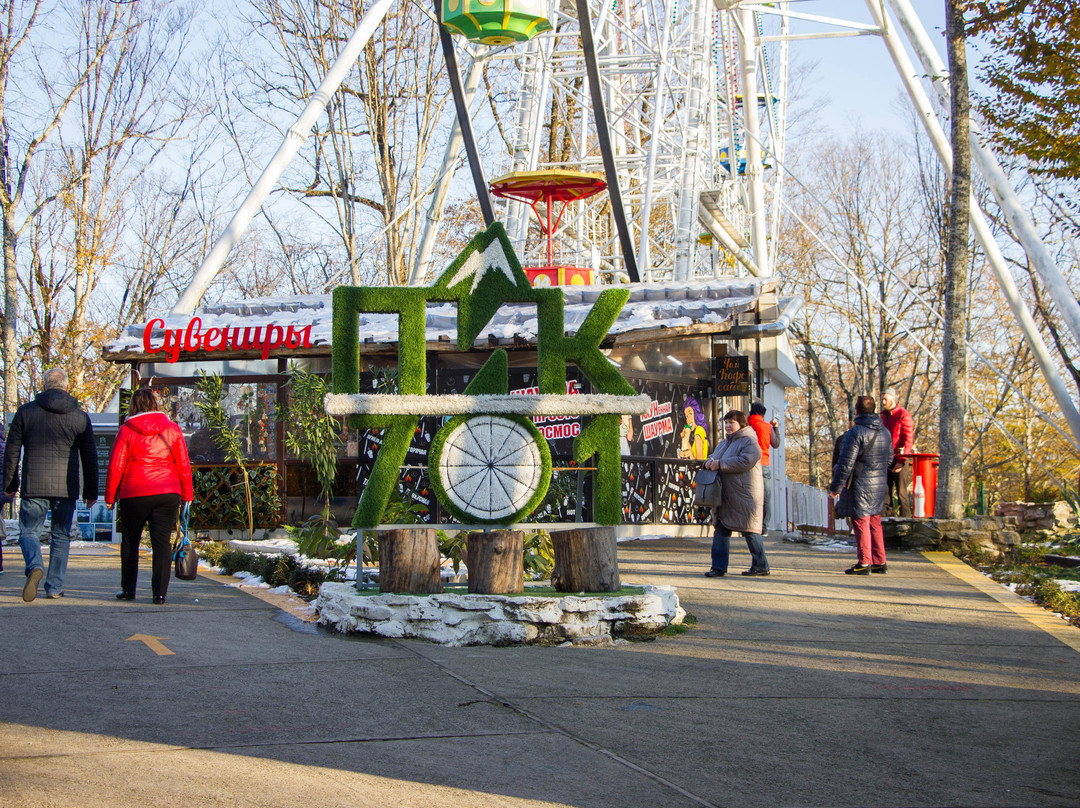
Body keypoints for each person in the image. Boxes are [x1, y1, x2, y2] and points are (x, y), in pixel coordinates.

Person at [2, 368, 97, 602]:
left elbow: (12, 452)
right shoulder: (79, 416)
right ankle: (54, 587)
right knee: (61, 536)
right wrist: (91, 490)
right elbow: (89, 455)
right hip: (66, 487)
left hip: (34, 486)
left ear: (44, 386)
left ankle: (35, 564)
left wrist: (10, 483)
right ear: (66, 387)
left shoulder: (25, 413)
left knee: (28, 532)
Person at [105, 388, 193, 604]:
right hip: (167, 491)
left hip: (134, 492)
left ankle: (128, 590)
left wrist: (110, 496)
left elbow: (115, 466)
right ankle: (159, 594)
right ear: (155, 404)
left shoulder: (126, 430)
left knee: (130, 540)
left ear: (133, 406)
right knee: (161, 542)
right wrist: (187, 494)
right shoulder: (172, 429)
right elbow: (183, 464)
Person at [828, 395, 893, 574]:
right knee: (875, 521)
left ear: (856, 411)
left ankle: (864, 563)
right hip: (879, 483)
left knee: (860, 521)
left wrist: (835, 487)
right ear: (874, 410)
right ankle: (880, 561)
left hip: (859, 483)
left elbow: (846, 463)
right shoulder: (885, 432)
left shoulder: (855, 432)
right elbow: (890, 460)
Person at [702, 409, 769, 577]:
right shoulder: (725, 443)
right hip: (726, 495)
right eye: (725, 422)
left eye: (731, 422)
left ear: (741, 424)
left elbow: (745, 461)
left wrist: (719, 464)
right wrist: (709, 462)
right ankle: (718, 567)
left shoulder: (750, 441)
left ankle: (761, 565)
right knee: (721, 528)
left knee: (750, 530)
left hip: (745, 495)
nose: (727, 426)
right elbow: (714, 456)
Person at [881, 387, 915, 517]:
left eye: (886, 399)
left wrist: (901, 461)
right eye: (882, 399)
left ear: (893, 398)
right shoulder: (883, 416)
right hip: (885, 459)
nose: (883, 402)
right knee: (885, 492)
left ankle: (906, 519)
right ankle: (887, 519)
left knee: (901, 492)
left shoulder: (903, 415)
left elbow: (908, 440)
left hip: (899, 458)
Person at [748, 402, 781, 532]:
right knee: (765, 495)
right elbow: (776, 443)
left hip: (748, 464)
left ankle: (748, 524)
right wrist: (775, 427)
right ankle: (763, 527)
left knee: (748, 493)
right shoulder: (767, 427)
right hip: (764, 463)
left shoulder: (746, 425)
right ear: (762, 414)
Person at [678, 396, 709, 460]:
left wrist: (690, 454)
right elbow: (690, 452)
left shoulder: (699, 430)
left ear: (696, 413)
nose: (688, 420)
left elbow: (699, 461)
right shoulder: (699, 430)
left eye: (690, 414)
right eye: (686, 416)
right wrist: (684, 437)